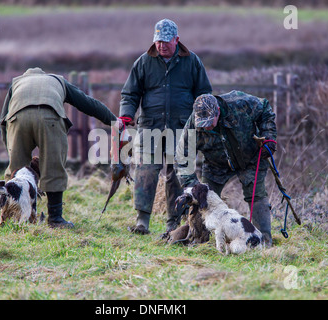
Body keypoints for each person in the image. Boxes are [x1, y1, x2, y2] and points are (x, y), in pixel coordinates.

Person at [119, 19, 212, 234]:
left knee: (177, 176)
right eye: (158, 41)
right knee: (145, 172)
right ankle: (142, 221)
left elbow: (204, 94)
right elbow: (130, 93)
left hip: (182, 129)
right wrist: (126, 114)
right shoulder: (143, 62)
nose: (161, 46)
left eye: (165, 42)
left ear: (176, 40)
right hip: (150, 127)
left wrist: (202, 122)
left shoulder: (192, 62)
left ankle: (174, 223)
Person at [0, 67, 120, 229]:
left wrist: (10, 148)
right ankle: (55, 219)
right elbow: (87, 103)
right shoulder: (57, 80)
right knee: (53, 166)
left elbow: (3, 120)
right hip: (49, 118)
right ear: (44, 75)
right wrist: (113, 121)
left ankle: (12, 216)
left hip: (18, 119)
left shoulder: (16, 82)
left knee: (16, 169)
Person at [175, 93, 277, 247]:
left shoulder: (240, 104)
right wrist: (193, 186)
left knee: (256, 194)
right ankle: (201, 242)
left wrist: (268, 136)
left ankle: (264, 243)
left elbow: (265, 109)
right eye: (202, 123)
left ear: (217, 110)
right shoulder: (193, 126)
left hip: (249, 157)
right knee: (203, 199)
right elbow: (183, 157)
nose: (206, 127)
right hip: (215, 164)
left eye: (209, 122)